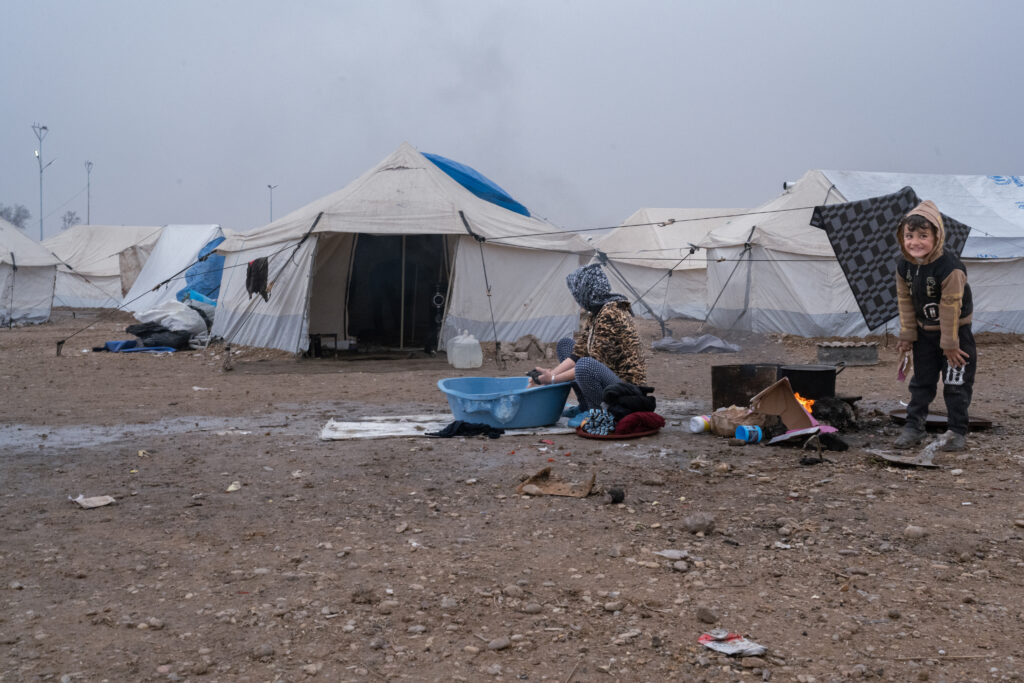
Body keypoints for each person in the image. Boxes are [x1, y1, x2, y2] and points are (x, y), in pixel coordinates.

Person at [893, 200, 975, 452]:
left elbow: (950, 307)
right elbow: (905, 301)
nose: (915, 242)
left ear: (937, 236)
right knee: (921, 383)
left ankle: (957, 431)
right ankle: (913, 428)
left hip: (955, 335)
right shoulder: (904, 266)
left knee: (956, 384)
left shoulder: (950, 268)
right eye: (909, 236)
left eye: (923, 236)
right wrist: (907, 334)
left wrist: (950, 345)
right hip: (924, 334)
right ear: (902, 237)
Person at [530, 264, 646, 416]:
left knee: (586, 366)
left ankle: (599, 412)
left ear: (585, 290)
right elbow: (577, 353)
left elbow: (595, 361)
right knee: (566, 345)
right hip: (609, 376)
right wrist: (546, 377)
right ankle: (585, 406)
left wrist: (552, 379)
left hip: (626, 388)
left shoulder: (610, 314)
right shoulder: (597, 313)